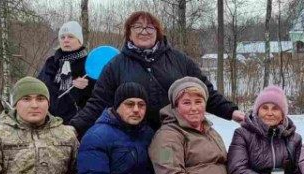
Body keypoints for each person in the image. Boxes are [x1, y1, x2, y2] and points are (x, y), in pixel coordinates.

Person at [69, 11, 244, 134]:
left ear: (158, 33)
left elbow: (206, 93)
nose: (144, 31)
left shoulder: (179, 60)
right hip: (132, 139)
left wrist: (231, 112)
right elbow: (97, 103)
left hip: (177, 136)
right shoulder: (116, 65)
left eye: (150, 28)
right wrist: (75, 126)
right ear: (129, 34)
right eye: (138, 27)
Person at [37, 21, 94, 125]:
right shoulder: (51, 62)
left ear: (80, 40)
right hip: (48, 120)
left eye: (70, 37)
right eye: (62, 37)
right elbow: (38, 87)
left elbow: (98, 97)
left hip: (77, 123)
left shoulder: (89, 64)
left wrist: (85, 88)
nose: (66, 40)